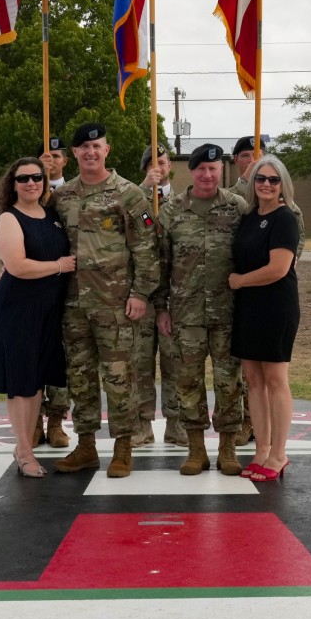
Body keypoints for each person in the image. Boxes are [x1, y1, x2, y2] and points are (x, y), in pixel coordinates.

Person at [52, 122, 160, 478]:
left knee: (118, 377)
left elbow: (146, 248)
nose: (90, 153)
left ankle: (123, 447)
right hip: (74, 305)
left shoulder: (128, 194)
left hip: (116, 305)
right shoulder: (63, 197)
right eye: (83, 148)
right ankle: (85, 446)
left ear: (107, 150)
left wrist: (141, 293)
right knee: (79, 377)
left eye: (96, 146)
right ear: (75, 155)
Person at [155, 144, 246, 476]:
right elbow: (160, 263)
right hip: (186, 313)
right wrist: (161, 308)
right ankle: (196, 450)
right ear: (191, 172)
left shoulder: (238, 208)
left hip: (228, 313)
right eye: (201, 169)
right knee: (188, 382)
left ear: (221, 171)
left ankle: (228, 449)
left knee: (229, 383)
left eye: (214, 169)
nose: (208, 175)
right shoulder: (171, 211)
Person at [0, 157, 76, 477]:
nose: (31, 183)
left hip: (48, 307)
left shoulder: (51, 216)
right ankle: (23, 451)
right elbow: (18, 266)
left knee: (36, 380)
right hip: (18, 306)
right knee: (21, 382)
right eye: (23, 179)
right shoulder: (9, 218)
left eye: (37, 177)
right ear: (13, 184)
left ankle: (27, 446)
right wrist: (60, 266)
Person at [229, 135, 306, 446]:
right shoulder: (248, 216)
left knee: (275, 381)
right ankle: (261, 450)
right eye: (261, 178)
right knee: (254, 382)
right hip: (248, 308)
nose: (266, 184)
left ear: (282, 184)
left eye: (274, 180)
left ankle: (278, 453)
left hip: (276, 307)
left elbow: (279, 269)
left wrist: (240, 281)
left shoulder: (285, 218)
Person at [133, 144, 187, 448]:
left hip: (174, 297)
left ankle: (176, 423)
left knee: (175, 363)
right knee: (139, 364)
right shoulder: (134, 198)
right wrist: (144, 189)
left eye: (163, 162)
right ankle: (141, 424)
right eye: (152, 163)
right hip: (142, 295)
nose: (159, 167)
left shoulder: (182, 202)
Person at [31, 136, 72, 449]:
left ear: (65, 161)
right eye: (46, 156)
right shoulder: (30, 191)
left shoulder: (73, 194)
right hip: (34, 283)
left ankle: (57, 420)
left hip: (67, 286)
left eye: (56, 156)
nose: (52, 161)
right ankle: (32, 422)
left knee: (61, 355)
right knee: (33, 353)